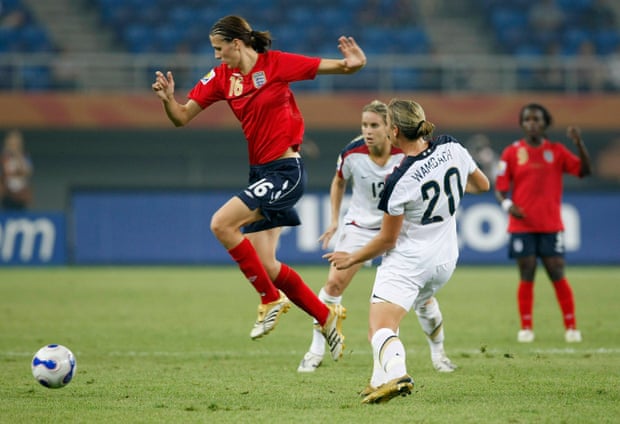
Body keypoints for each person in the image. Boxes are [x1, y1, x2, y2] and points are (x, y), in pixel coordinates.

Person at [151, 15, 367, 361]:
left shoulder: (277, 64)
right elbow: (181, 116)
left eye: (220, 49)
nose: (217, 57)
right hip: (260, 175)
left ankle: (270, 300)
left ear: (237, 44)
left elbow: (341, 67)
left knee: (221, 224)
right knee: (266, 265)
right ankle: (325, 318)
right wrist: (166, 99)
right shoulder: (221, 78)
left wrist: (354, 63)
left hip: (286, 171)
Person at [325, 99, 490, 404]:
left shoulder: (399, 180)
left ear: (394, 131)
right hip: (445, 261)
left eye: (385, 125)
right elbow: (482, 184)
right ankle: (378, 380)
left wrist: (352, 256)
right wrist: (444, 186)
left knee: (380, 327)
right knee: (400, 311)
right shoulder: (452, 147)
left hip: (410, 262)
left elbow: (387, 241)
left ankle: (397, 374)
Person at [298, 100, 406, 372]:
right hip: (359, 226)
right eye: (364, 125)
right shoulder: (351, 153)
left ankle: (438, 354)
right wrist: (334, 221)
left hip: (395, 228)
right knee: (333, 284)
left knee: (422, 295)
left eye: (374, 125)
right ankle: (316, 349)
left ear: (388, 128)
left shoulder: (405, 152)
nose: (367, 131)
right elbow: (338, 181)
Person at [495, 103, 591, 344]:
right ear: (522, 124)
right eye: (527, 120)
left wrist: (579, 144)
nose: (532, 124)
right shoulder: (512, 152)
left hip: (550, 225)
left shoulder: (557, 151)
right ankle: (526, 327)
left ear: (546, 124)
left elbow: (583, 171)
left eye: (537, 120)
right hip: (522, 226)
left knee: (557, 273)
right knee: (526, 274)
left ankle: (571, 327)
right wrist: (508, 206)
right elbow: (500, 187)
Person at [1, 129, 33, 210]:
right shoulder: (4, 157)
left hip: (21, 195)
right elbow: (5, 173)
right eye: (12, 143)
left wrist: (17, 155)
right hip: (7, 195)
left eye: (16, 143)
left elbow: (27, 172)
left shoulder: (24, 157)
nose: (14, 145)